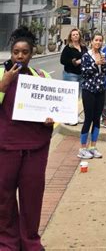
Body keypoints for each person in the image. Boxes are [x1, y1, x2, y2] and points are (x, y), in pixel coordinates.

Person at [0, 27, 54, 250]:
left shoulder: (42, 77)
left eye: (24, 52)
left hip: (35, 148)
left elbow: (54, 108)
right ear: (11, 53)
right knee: (4, 199)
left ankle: (30, 241)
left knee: (32, 198)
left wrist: (51, 120)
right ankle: (7, 242)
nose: (20, 56)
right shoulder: (1, 76)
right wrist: (4, 83)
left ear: (32, 54)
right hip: (6, 147)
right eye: (16, 52)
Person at [78, 33, 106, 159]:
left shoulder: (102, 55)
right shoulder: (86, 56)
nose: (98, 42)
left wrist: (104, 64)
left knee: (97, 119)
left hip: (100, 89)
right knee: (88, 118)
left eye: (100, 40)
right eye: (96, 40)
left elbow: (105, 71)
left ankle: (93, 147)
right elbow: (84, 72)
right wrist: (95, 63)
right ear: (92, 41)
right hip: (88, 90)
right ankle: (82, 148)